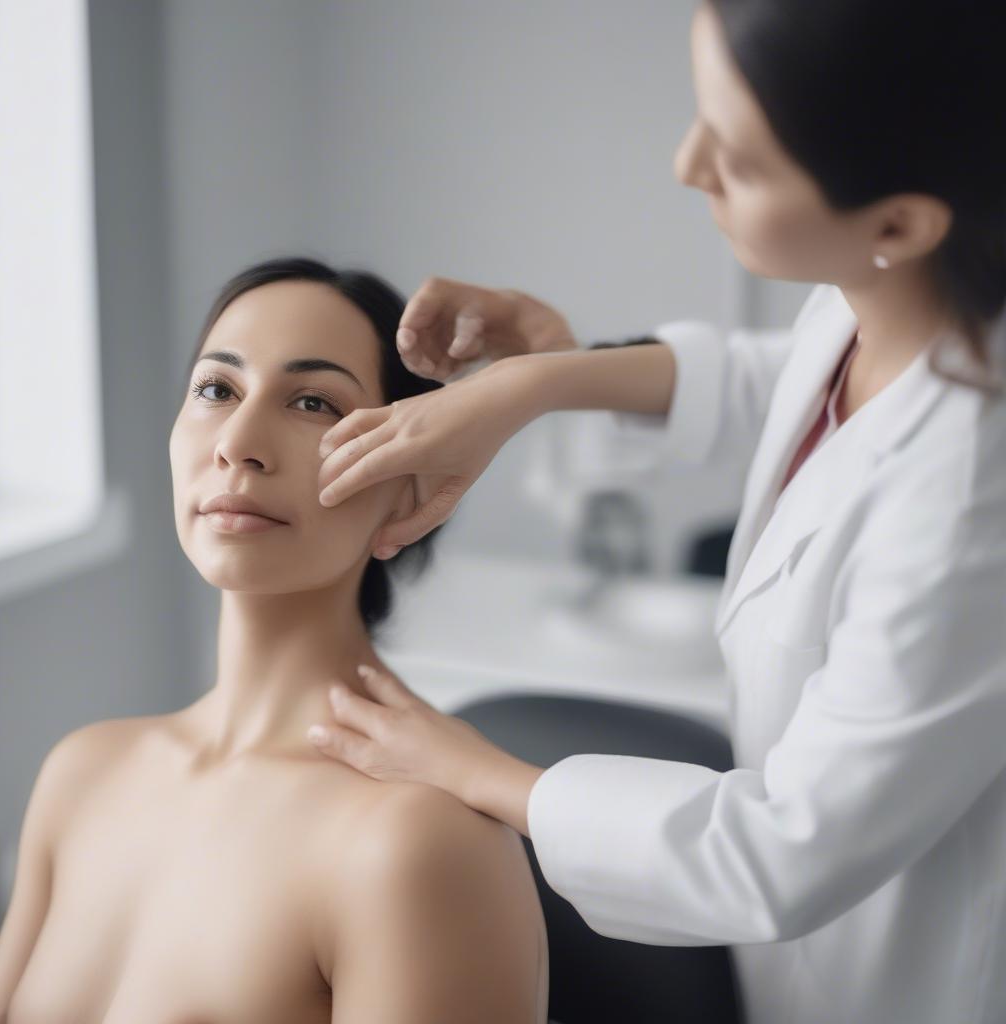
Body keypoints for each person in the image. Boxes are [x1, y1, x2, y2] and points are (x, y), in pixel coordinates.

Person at [300, 2, 1006, 1022]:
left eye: (739, 158)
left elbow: (782, 849)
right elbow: (771, 382)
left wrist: (482, 775)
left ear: (897, 222)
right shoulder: (889, 302)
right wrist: (541, 378)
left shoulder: (971, 497)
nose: (685, 164)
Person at [0, 258, 549, 1024]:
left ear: (415, 482)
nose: (239, 443)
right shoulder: (80, 775)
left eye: (313, 402)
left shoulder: (420, 842)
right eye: (217, 390)